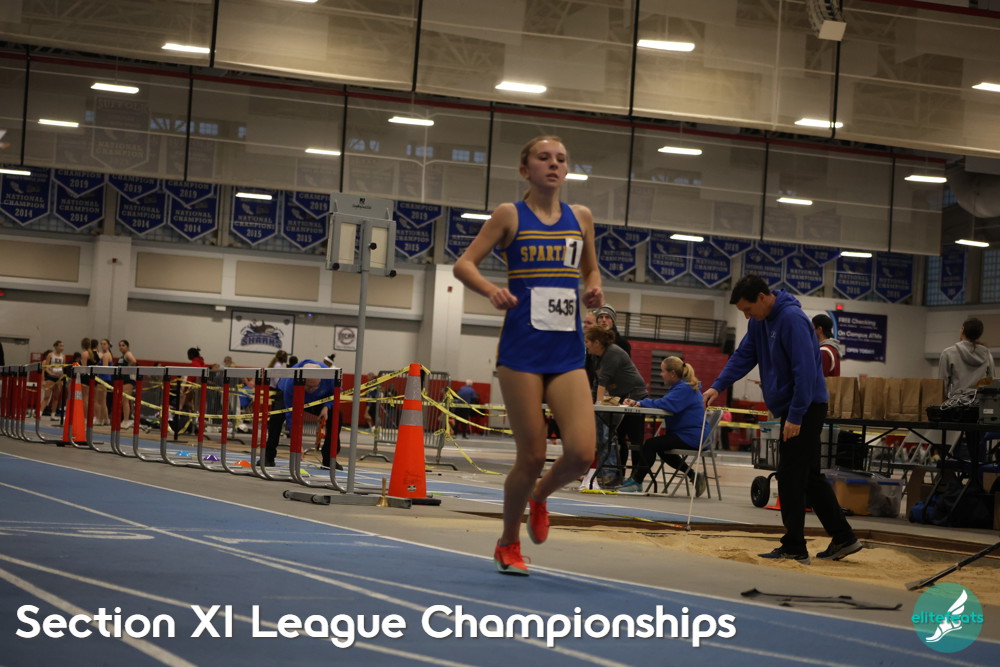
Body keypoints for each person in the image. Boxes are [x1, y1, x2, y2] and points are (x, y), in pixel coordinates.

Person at [453, 135, 603, 576]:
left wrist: (594, 288)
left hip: (567, 351)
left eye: (561, 159)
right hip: (521, 352)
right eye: (544, 158)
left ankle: (539, 496)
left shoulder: (581, 217)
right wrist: (491, 290)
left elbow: (591, 268)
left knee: (581, 454)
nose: (553, 164)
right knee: (532, 455)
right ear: (526, 170)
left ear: (566, 170)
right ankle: (507, 542)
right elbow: (464, 264)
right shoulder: (509, 215)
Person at [703, 275, 861, 563]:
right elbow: (743, 356)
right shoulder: (758, 322)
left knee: (790, 475)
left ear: (763, 297)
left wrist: (796, 415)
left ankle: (794, 546)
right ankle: (844, 537)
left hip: (806, 406)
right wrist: (717, 386)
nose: (746, 316)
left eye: (748, 309)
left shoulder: (792, 319)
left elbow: (805, 371)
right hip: (794, 407)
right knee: (809, 476)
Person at [619, 357, 707, 496]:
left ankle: (637, 481)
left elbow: (666, 404)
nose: (661, 374)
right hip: (689, 434)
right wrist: (641, 403)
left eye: (663, 371)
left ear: (672, 373)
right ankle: (693, 475)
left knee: (651, 444)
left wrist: (640, 402)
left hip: (694, 436)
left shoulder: (684, 388)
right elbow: (665, 402)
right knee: (659, 447)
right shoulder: (682, 387)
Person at [584, 326, 648, 485]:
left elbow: (603, 382)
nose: (585, 345)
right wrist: (590, 403)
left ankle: (619, 476)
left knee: (615, 434)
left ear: (597, 343)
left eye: (587, 341)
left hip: (634, 394)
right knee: (605, 432)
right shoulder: (595, 356)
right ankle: (609, 473)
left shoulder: (612, 352)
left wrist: (598, 406)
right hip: (619, 394)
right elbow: (596, 382)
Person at [265, 360, 341, 470]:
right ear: (302, 381)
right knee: (276, 418)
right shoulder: (290, 382)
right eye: (308, 387)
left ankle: (329, 459)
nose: (311, 390)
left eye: (314, 387)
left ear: (321, 380)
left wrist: (326, 406)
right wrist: (297, 443)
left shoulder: (329, 376)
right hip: (290, 394)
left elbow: (337, 392)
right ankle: (268, 456)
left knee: (337, 415)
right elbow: (291, 415)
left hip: (318, 399)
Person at [939, 317, 996, 398]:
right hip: (980, 402)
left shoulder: (948, 353)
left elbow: (942, 385)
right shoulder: (987, 354)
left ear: (962, 330)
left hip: (956, 402)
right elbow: (992, 382)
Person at [116, 340, 139, 428]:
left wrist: (129, 369)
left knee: (125, 400)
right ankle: (125, 419)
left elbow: (134, 361)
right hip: (124, 380)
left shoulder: (128, 354)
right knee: (123, 400)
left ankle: (126, 420)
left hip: (129, 380)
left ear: (127, 347)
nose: (121, 347)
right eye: (120, 345)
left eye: (123, 345)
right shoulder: (122, 356)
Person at [42, 341, 67, 420]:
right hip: (51, 377)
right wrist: (50, 373)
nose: (62, 348)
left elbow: (63, 367)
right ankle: (39, 413)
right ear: (56, 346)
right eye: (60, 346)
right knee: (46, 396)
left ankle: (53, 415)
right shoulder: (50, 355)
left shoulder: (63, 356)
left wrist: (63, 376)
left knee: (56, 397)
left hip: (59, 378)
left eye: (63, 346)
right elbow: (46, 366)